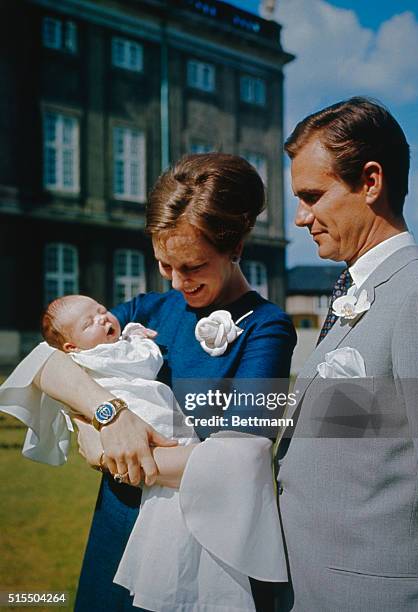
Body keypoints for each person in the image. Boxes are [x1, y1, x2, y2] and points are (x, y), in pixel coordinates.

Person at [0, 153, 296, 611]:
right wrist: (107, 415)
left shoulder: (267, 328)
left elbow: (243, 456)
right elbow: (47, 360)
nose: (176, 282)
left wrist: (116, 453)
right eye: (164, 264)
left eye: (193, 266)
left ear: (235, 246)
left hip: (195, 549)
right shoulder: (146, 311)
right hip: (117, 525)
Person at [276, 97, 418, 611]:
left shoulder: (417, 294)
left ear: (371, 182)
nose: (300, 218)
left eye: (312, 196)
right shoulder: (355, 291)